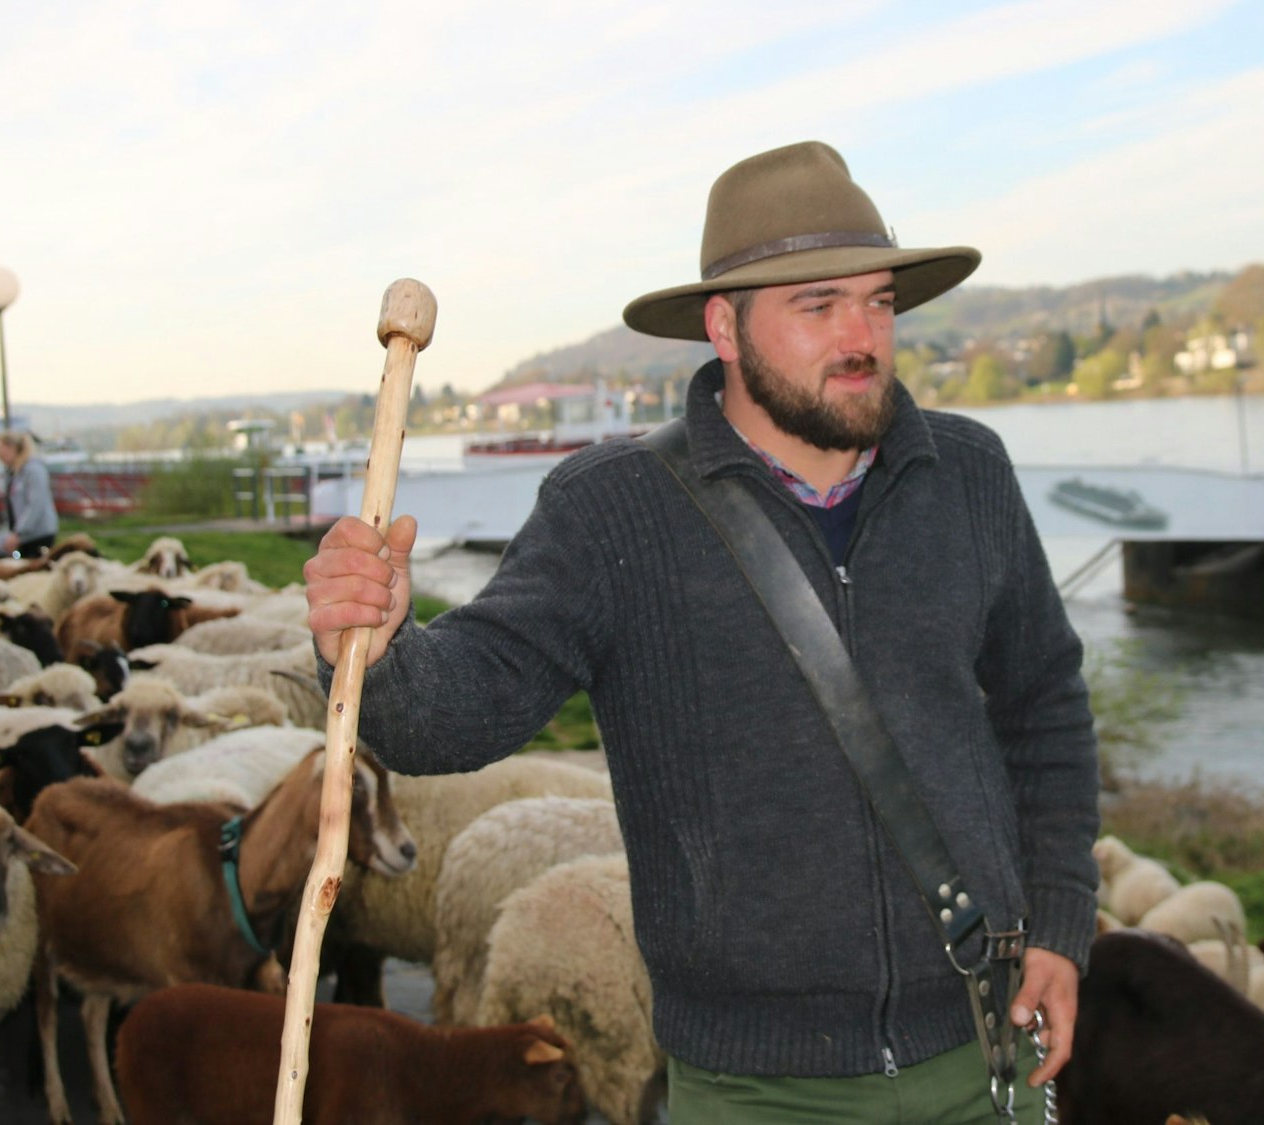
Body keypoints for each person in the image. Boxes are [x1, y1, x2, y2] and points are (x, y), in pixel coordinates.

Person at [305, 141, 1100, 1123]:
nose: (862, 336)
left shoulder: (967, 474)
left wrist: (1059, 922)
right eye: (817, 306)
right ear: (724, 327)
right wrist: (377, 643)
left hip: (982, 1057)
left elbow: (1044, 707)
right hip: (754, 1092)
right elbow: (443, 720)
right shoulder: (611, 513)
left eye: (879, 302)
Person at [0, 430, 58, 557]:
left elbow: (35, 504)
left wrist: (19, 533)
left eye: (0, 448)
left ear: (12, 448)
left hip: (38, 534)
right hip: (21, 537)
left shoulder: (33, 470)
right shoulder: (13, 473)